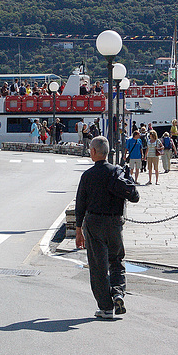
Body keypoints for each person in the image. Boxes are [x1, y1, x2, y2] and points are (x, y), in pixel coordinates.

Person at [75, 136, 126, 319]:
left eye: (90, 149)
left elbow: (80, 204)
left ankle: (106, 307)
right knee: (116, 261)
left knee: (98, 266)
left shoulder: (87, 175)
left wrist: (78, 229)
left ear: (94, 152)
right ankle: (118, 292)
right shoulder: (117, 172)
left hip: (94, 223)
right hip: (114, 223)